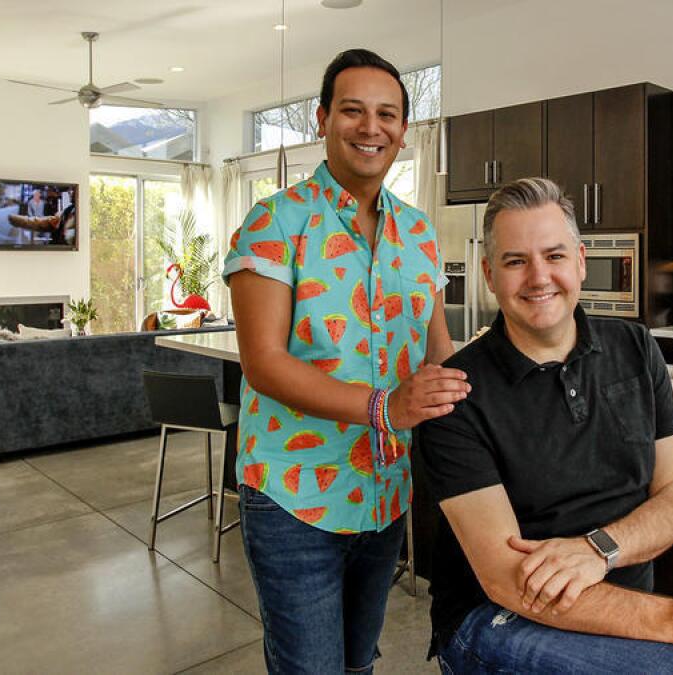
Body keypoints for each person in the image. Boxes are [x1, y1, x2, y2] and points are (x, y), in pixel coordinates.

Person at [419, 177, 673, 674]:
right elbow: (505, 578)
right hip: (495, 616)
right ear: (488, 274)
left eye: (555, 256)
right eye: (516, 261)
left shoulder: (635, 348)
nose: (539, 277)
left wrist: (597, 551)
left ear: (581, 261)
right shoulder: (457, 395)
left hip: (611, 594)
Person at [222, 48, 471, 674]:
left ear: (404, 132)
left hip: (385, 494)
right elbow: (263, 362)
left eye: (387, 114)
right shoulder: (274, 222)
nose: (371, 127)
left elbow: (436, 352)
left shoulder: (417, 232)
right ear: (322, 119)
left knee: (358, 663)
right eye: (353, 111)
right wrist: (386, 406)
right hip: (290, 496)